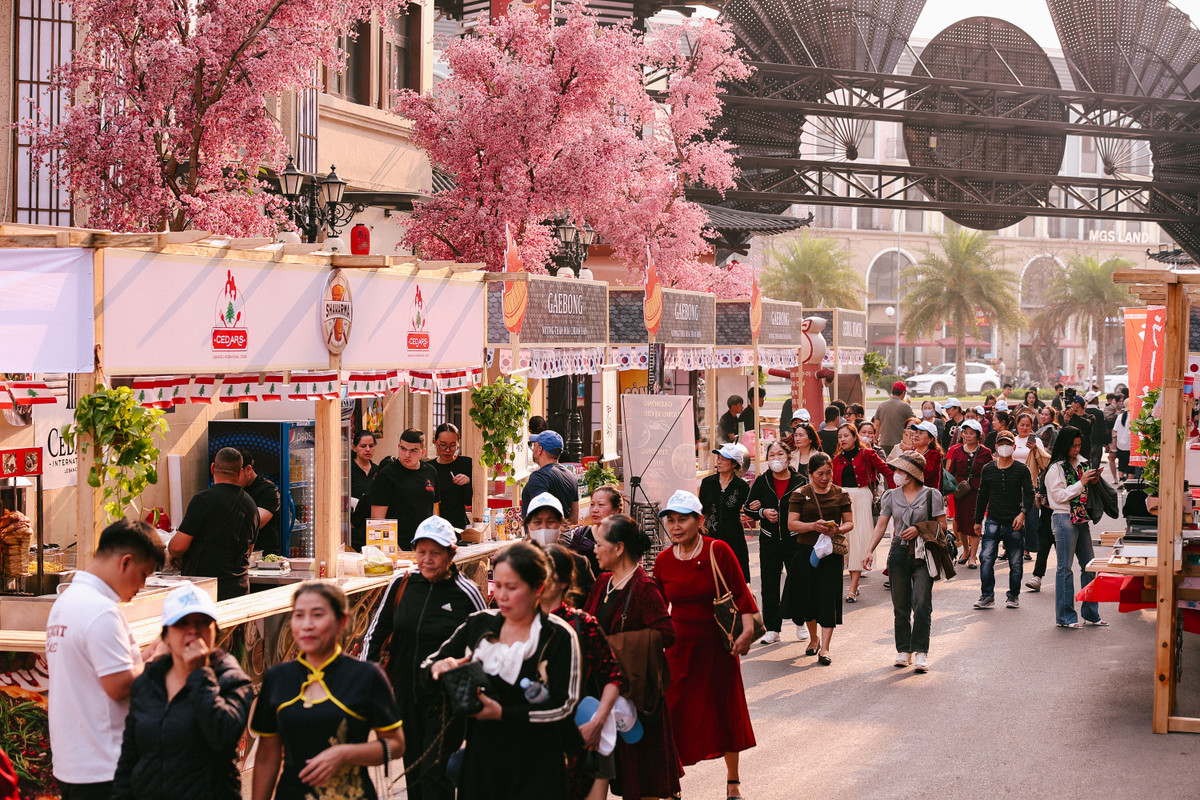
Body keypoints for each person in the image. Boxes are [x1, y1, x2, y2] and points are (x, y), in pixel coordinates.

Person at [424, 542, 583, 800]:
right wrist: (439, 668)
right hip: (482, 762)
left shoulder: (558, 636)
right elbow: (428, 666)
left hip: (536, 767)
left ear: (538, 588)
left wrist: (503, 713)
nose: (502, 596)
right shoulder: (479, 624)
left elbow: (564, 706)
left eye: (512, 587)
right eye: (497, 586)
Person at [362, 516, 486, 800]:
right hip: (404, 697)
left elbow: (485, 645)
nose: (427, 559)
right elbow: (375, 634)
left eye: (436, 553)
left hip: (445, 703)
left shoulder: (466, 593)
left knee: (434, 776)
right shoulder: (401, 584)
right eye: (421, 552)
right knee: (413, 773)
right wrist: (368, 682)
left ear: (451, 554)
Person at [251, 582, 404, 800]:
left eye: (318, 615)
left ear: (341, 622)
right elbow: (267, 756)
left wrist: (346, 753)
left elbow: (396, 745)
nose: (307, 625)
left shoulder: (367, 676)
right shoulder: (277, 678)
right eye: (299, 615)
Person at [47, 520, 166, 800]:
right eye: (143, 574)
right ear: (126, 562)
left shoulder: (66, 601)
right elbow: (119, 686)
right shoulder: (101, 611)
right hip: (105, 767)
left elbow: (94, 673)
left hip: (73, 764)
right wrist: (158, 660)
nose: (142, 586)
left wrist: (144, 657)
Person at [654, 490, 756, 799]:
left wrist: (747, 630)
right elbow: (657, 608)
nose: (675, 526)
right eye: (670, 520)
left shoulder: (717, 550)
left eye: (682, 519)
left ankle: (733, 780)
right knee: (674, 714)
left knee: (725, 711)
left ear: (699, 521)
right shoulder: (663, 560)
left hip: (718, 645)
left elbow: (741, 593)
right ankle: (671, 783)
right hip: (679, 649)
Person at [113, 583, 253, 800]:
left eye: (202, 622)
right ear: (166, 636)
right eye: (182, 623)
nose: (193, 630)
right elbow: (130, 758)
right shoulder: (149, 680)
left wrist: (200, 675)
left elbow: (224, 736)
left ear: (215, 630)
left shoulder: (230, 678)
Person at [584, 514, 682, 800]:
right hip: (603, 694)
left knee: (642, 780)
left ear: (618, 548)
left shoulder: (643, 587)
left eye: (599, 544)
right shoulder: (603, 582)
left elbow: (666, 633)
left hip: (635, 699)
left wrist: (614, 646)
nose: (594, 549)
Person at [541, 545, 624, 800]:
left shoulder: (583, 624)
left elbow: (613, 676)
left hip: (586, 734)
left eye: (547, 574)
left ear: (565, 581)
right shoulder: (518, 625)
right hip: (539, 741)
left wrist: (598, 722)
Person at [863, 453, 948, 673]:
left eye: (900, 470)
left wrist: (919, 528)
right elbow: (881, 525)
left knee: (921, 603)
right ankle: (903, 650)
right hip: (899, 551)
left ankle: (921, 651)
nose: (896, 474)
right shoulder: (891, 495)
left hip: (924, 552)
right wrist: (870, 550)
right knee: (900, 605)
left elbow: (943, 525)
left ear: (911, 473)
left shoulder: (932, 494)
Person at [786, 453, 853, 664]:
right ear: (810, 473)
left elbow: (850, 522)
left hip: (831, 553)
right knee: (809, 597)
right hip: (806, 552)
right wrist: (813, 526)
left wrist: (838, 529)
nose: (825, 478)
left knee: (828, 597)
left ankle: (825, 648)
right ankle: (813, 639)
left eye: (828, 473)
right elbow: (792, 524)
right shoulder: (800, 494)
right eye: (820, 474)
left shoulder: (841, 494)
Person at [170, 447, 259, 600]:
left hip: (205, 591)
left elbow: (177, 547)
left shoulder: (203, 500)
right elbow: (249, 550)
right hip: (239, 589)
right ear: (240, 472)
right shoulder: (251, 505)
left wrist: (173, 552)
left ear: (212, 468)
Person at [1044, 428, 1107, 628]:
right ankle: (1066, 617)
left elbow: (1085, 491)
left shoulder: (1082, 463)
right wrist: (1081, 483)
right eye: (1073, 446)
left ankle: (1091, 613)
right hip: (1063, 517)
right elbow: (1058, 497)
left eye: (1079, 445)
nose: (1077, 449)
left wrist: (1093, 481)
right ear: (1065, 445)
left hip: (1081, 517)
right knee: (1065, 568)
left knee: (1089, 565)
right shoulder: (1055, 468)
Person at [744, 439, 805, 644]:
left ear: (788, 458)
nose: (776, 459)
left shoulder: (800, 481)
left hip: (794, 539)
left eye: (780, 454)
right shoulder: (762, 481)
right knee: (769, 584)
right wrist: (762, 512)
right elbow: (748, 508)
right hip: (769, 540)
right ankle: (772, 629)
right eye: (771, 455)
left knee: (797, 582)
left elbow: (809, 508)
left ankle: (800, 622)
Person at [973, 431, 1035, 610]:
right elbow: (982, 495)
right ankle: (987, 595)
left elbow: (1029, 494)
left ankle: (1013, 595)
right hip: (993, 520)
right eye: (1001, 444)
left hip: (1014, 522)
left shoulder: (1021, 470)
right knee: (986, 558)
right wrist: (978, 520)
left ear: (1014, 447)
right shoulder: (988, 469)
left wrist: (1023, 513)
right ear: (996, 447)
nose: (1004, 447)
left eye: (1008, 444)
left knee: (1015, 562)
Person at [831, 422, 893, 602]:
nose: (842, 439)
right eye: (839, 437)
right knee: (845, 542)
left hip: (862, 499)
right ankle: (851, 583)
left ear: (854, 437)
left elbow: (888, 472)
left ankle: (853, 587)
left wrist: (893, 495)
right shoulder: (836, 459)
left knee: (858, 540)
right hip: (841, 500)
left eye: (846, 436)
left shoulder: (868, 454)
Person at [368, 427, 441, 549]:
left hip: (425, 544)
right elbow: (377, 520)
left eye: (413, 450)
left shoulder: (430, 471)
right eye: (403, 449)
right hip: (397, 546)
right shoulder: (386, 475)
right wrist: (394, 549)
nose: (407, 455)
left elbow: (435, 508)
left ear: (422, 452)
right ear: (398, 447)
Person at [526, 491, 595, 601]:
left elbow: (592, 603)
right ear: (527, 527)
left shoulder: (578, 564)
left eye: (551, 522)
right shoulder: (517, 564)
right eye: (537, 522)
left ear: (562, 526)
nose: (544, 527)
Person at [699, 442, 753, 581]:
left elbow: (750, 510)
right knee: (709, 577)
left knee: (736, 576)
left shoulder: (742, 487)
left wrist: (756, 507)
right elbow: (701, 509)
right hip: (710, 536)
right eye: (718, 458)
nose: (719, 462)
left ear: (734, 464)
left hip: (734, 538)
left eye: (723, 459)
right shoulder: (707, 483)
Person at [944, 419, 992, 568]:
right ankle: (965, 551)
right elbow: (950, 473)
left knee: (975, 522)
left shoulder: (985, 452)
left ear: (978, 435)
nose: (968, 435)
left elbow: (990, 473)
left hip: (978, 493)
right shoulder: (957, 451)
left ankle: (973, 556)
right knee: (961, 522)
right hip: (960, 493)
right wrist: (946, 492)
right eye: (965, 432)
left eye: (971, 433)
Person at [562, 484, 622, 578]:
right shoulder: (581, 534)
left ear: (616, 510)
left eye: (601, 505)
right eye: (592, 504)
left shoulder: (623, 537)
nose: (594, 510)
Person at [521, 430, 580, 524]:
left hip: (542, 533)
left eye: (534, 445)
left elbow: (540, 516)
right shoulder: (571, 476)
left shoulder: (539, 477)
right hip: (563, 532)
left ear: (540, 449)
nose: (532, 449)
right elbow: (574, 520)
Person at [428, 423, 474, 530]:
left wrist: (467, 482)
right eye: (443, 445)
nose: (447, 450)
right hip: (434, 526)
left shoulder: (466, 464)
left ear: (458, 443)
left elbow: (469, 500)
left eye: (453, 445)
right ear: (435, 442)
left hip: (458, 526)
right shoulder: (429, 468)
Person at [237, 449, 282, 556]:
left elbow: (256, 523)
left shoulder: (268, 489)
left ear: (248, 469)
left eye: (237, 474)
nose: (232, 479)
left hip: (265, 555)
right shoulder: (232, 489)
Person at [350, 431, 380, 551]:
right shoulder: (347, 470)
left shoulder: (378, 471)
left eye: (371, 446)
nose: (368, 449)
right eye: (363, 446)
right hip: (353, 528)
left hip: (373, 528)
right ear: (354, 447)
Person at [873, 381, 914, 452]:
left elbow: (876, 425)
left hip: (884, 442)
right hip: (900, 444)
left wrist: (876, 439)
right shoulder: (905, 406)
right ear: (903, 393)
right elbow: (914, 421)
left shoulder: (881, 405)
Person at [1084, 391, 1109, 469]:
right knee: (1095, 464)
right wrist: (1106, 443)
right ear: (1095, 399)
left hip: (1085, 442)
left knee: (1086, 464)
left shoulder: (1084, 412)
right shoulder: (1099, 413)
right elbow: (1102, 429)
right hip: (1097, 442)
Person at [1113, 402, 1134, 482]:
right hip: (1131, 445)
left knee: (1121, 463)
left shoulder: (1120, 417)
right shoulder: (1134, 417)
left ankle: (1121, 480)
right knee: (1131, 465)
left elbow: (1115, 430)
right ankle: (1129, 483)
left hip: (1120, 444)